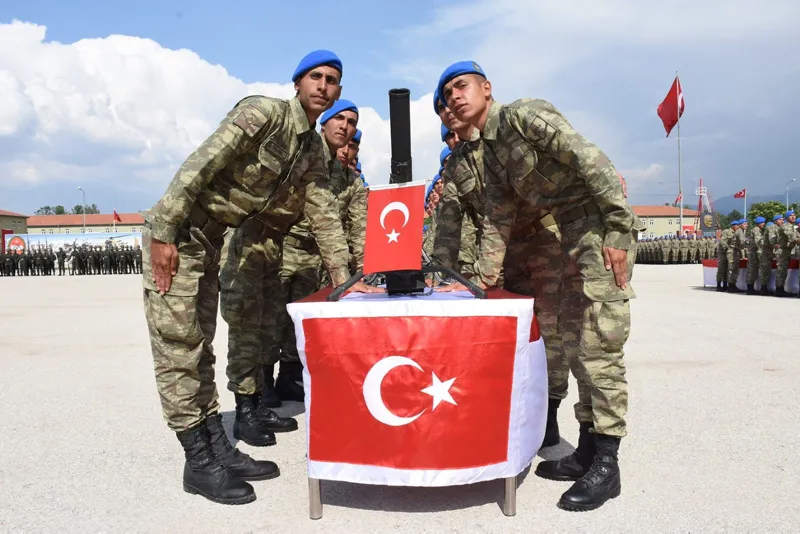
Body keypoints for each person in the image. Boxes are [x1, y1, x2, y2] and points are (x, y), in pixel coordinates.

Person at [143, 49, 381, 506]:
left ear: (338, 92)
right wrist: (164, 230)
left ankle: (217, 447)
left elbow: (324, 216)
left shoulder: (311, 151)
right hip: (180, 234)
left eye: (332, 80)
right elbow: (201, 163)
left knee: (199, 347)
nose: (323, 85)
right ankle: (199, 462)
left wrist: (344, 281)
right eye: (315, 76)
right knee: (178, 350)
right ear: (297, 83)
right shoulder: (263, 114)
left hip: (211, 240)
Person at [437, 61, 644, 511]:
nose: (455, 96)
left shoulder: (522, 115)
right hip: (567, 235)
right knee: (574, 345)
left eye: (462, 86)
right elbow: (497, 221)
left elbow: (589, 158)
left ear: (486, 88)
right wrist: (480, 284)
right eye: (448, 92)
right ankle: (587, 450)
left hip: (596, 228)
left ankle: (607, 466)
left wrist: (618, 227)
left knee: (599, 345)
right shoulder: (490, 154)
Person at [266, 98, 366, 405]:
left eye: (352, 123)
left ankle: (288, 379)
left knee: (298, 323)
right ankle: (262, 385)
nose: (345, 127)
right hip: (285, 249)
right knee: (270, 318)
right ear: (324, 122)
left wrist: (363, 272)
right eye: (339, 119)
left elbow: (359, 230)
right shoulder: (304, 158)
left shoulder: (350, 181)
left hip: (315, 259)